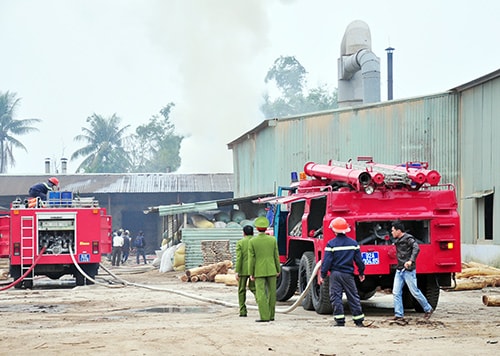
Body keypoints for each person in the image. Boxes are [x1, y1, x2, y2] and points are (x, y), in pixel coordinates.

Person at [319, 217, 367, 327]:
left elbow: (326, 262)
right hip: (348, 274)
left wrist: (323, 274)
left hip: (335, 274)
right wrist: (361, 272)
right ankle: (358, 321)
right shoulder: (353, 243)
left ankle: (340, 321)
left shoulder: (331, 244)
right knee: (353, 296)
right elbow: (359, 261)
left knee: (336, 297)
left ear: (334, 230)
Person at [391, 220, 433, 321]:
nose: (391, 232)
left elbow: (416, 248)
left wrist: (410, 261)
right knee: (396, 292)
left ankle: (428, 308)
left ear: (399, 230)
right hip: (400, 269)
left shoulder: (408, 238)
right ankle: (399, 314)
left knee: (414, 292)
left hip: (408, 270)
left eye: (393, 230)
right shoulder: (399, 239)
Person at [248, 217, 281, 323]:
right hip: (271, 269)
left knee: (261, 293)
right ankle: (271, 315)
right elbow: (276, 256)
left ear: (257, 228)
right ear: (266, 228)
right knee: (272, 293)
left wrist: (251, 273)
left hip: (259, 270)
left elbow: (251, 259)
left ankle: (264, 316)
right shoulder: (272, 240)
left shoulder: (253, 241)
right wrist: (278, 268)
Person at [235, 224, 257, 317]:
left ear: (243, 233)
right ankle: (262, 307)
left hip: (243, 270)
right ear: (252, 232)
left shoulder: (240, 242)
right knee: (255, 289)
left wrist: (237, 271)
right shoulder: (256, 242)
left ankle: (243, 311)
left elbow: (239, 258)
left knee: (241, 290)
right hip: (254, 270)